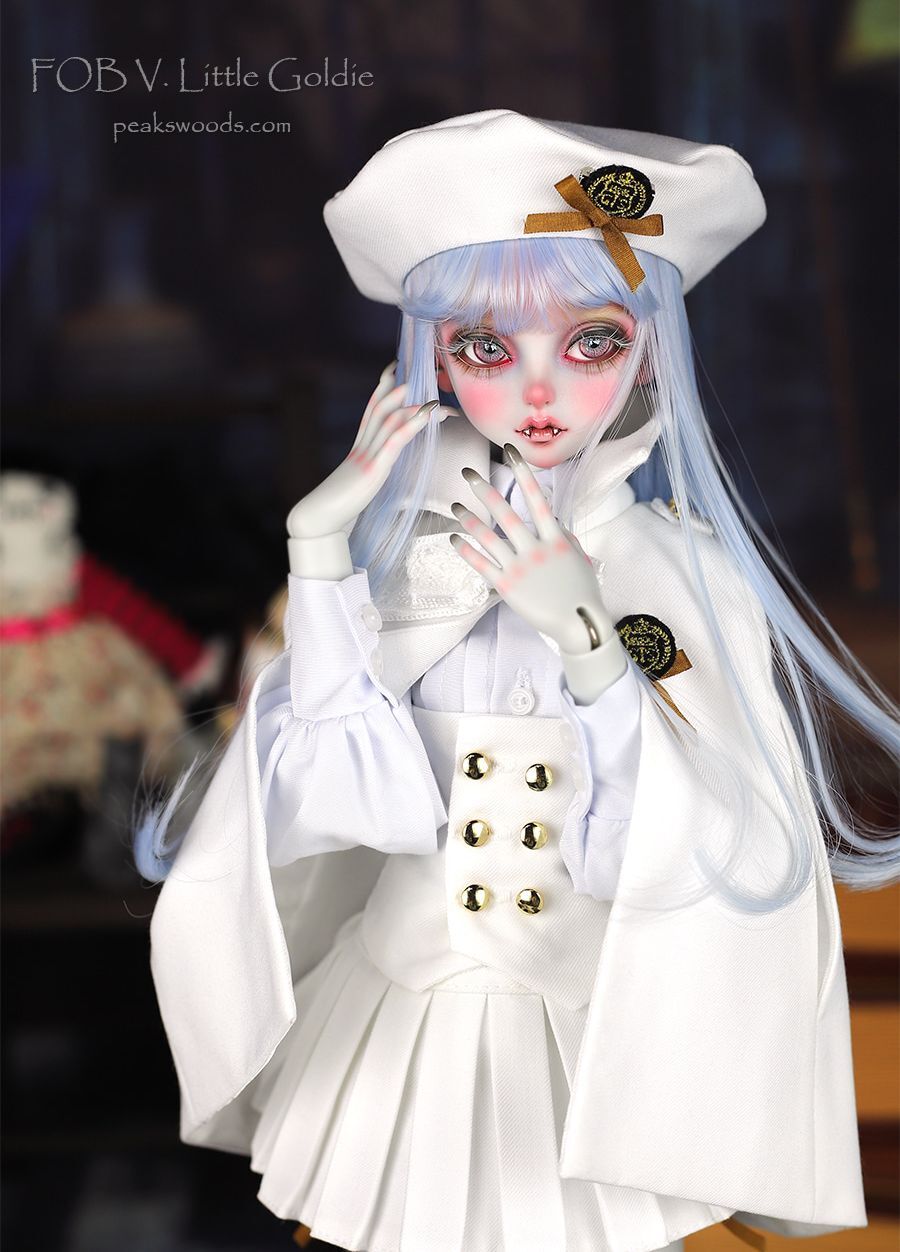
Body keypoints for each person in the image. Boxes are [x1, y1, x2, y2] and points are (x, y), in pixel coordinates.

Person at [138, 111, 899, 1252]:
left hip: (585, 1036)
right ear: (434, 362)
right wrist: (320, 555)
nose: (540, 392)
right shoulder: (406, 573)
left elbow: (698, 848)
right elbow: (318, 808)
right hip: (405, 1011)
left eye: (591, 343)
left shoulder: (674, 582)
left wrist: (592, 642)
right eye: (487, 350)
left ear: (652, 351)